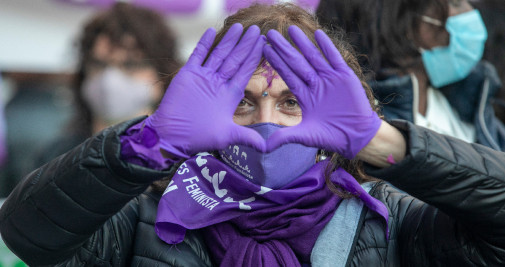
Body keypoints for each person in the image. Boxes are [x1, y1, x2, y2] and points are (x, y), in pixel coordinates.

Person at [1, 3, 505, 266]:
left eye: (292, 102)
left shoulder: (391, 221)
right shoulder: (144, 217)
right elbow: (27, 233)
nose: (268, 120)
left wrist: (384, 141)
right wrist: (152, 140)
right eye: (243, 101)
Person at [316, 0, 505, 151]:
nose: (470, 11)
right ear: (403, 24)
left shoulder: (474, 100)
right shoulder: (366, 125)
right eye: (455, 3)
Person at [35, 2, 180, 166]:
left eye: (130, 65)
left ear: (163, 74)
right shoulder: (56, 157)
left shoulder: (180, 161)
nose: (109, 79)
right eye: (98, 65)